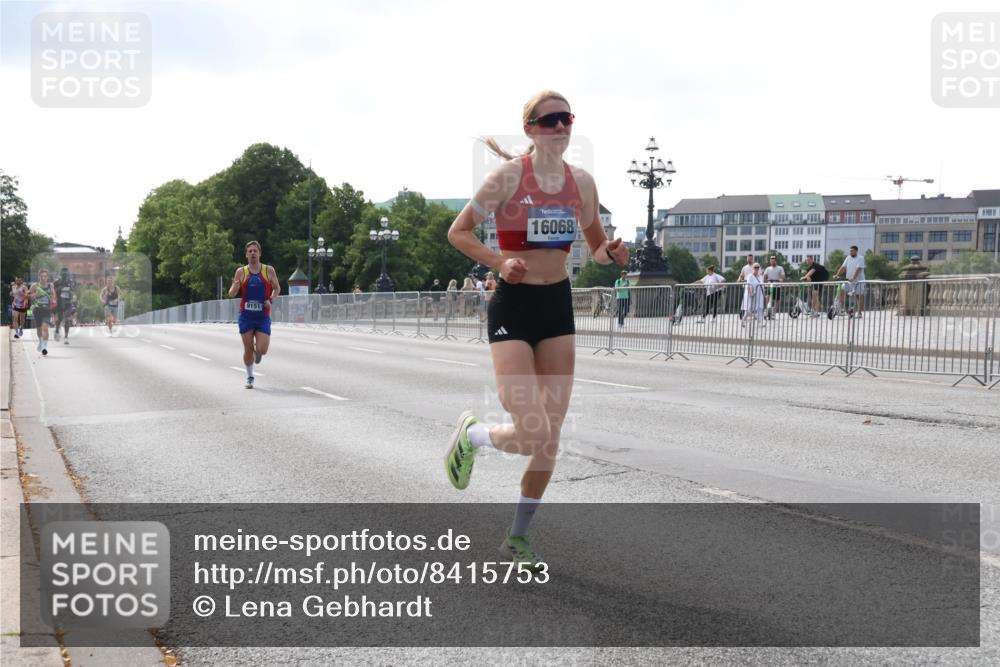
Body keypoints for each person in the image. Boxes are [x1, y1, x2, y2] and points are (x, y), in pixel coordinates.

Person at [443, 90, 628, 569]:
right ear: (530, 128)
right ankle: (474, 436)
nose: (561, 125)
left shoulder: (581, 183)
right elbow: (458, 232)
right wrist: (500, 261)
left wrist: (615, 256)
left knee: (550, 436)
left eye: (567, 117)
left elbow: (597, 246)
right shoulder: (508, 178)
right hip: (514, 305)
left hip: (556, 305)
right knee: (531, 429)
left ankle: (517, 538)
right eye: (550, 119)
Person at [228, 240, 281, 389]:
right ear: (246, 254)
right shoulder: (241, 272)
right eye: (250, 251)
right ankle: (250, 376)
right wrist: (235, 286)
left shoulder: (268, 270)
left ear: (259, 253)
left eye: (255, 251)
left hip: (263, 315)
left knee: (262, 350)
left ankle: (258, 352)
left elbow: (277, 288)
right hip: (246, 315)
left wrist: (271, 299)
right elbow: (231, 293)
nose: (252, 253)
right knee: (248, 347)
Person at [833, 245, 866, 317]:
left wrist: (853, 277)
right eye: (850, 251)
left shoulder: (860, 258)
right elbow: (843, 267)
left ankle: (859, 313)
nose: (851, 252)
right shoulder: (848, 258)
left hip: (858, 281)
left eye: (852, 251)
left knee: (859, 296)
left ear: (856, 251)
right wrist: (837, 275)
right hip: (849, 281)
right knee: (841, 290)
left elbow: (858, 269)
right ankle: (841, 309)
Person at [28, 270, 54, 356]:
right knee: (39, 329)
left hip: (47, 310)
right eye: (41, 276)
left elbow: (53, 296)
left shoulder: (50, 286)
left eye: (45, 276)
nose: (43, 278)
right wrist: (35, 294)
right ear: (39, 277)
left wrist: (52, 298)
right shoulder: (35, 286)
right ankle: (40, 341)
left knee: (45, 327)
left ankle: (44, 347)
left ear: (47, 277)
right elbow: (28, 296)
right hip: (37, 309)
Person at [52, 267, 75, 344]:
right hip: (60, 302)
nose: (65, 274)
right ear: (61, 274)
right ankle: (57, 330)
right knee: (60, 318)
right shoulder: (57, 282)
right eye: (63, 273)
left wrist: (70, 291)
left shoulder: (71, 281)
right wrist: (60, 289)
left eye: (66, 273)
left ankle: (66, 337)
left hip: (68, 303)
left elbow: (72, 290)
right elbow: (54, 291)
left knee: (67, 319)